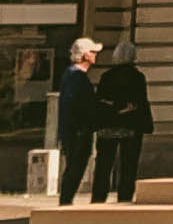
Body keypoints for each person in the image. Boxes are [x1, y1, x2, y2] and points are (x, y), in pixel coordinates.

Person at [91, 42, 154, 204]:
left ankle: (98, 197)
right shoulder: (137, 77)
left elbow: (100, 102)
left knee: (104, 165)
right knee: (128, 165)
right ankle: (124, 197)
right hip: (130, 125)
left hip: (108, 125)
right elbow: (141, 102)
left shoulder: (106, 76)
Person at [56, 37, 100, 205]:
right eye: (93, 52)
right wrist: (83, 126)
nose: (96, 55)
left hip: (72, 130)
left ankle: (66, 201)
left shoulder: (70, 74)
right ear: (85, 55)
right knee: (75, 167)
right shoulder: (77, 77)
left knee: (74, 167)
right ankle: (65, 202)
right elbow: (74, 104)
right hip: (78, 132)